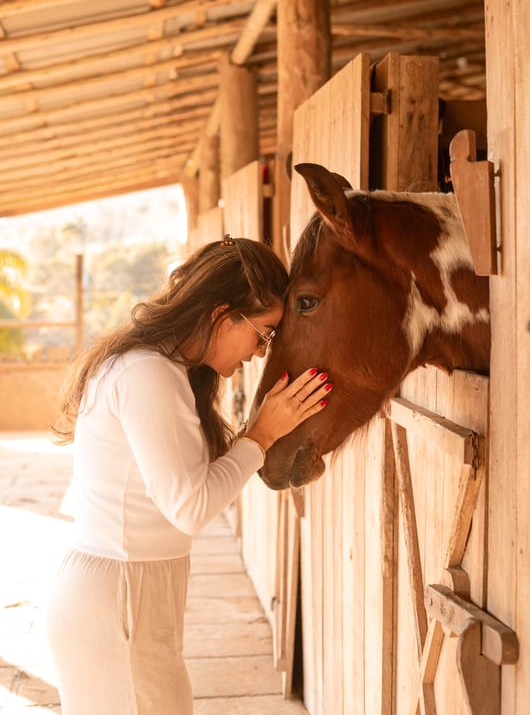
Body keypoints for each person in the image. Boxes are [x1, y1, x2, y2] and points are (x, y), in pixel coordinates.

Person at [46, 234, 333, 715]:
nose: (261, 352)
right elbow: (190, 508)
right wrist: (260, 437)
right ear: (223, 314)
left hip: (129, 595)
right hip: (119, 600)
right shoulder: (147, 373)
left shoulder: (162, 371)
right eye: (262, 333)